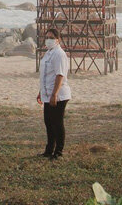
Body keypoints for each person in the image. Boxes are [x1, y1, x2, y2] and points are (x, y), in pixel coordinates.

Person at [37, 28, 71, 160]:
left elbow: (60, 75)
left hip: (58, 94)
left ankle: (59, 151)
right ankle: (49, 149)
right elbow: (45, 75)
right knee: (48, 122)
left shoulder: (59, 54)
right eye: (47, 37)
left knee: (57, 122)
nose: (48, 40)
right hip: (47, 93)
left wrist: (54, 94)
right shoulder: (48, 53)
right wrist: (41, 92)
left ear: (57, 40)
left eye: (51, 37)